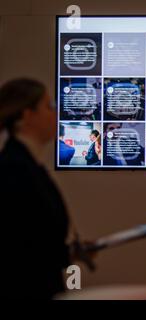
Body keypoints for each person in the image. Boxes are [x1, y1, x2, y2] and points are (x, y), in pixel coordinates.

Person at [0, 78, 94, 299]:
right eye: (49, 106)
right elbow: (18, 246)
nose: (56, 112)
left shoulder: (28, 164)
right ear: (26, 115)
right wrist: (64, 253)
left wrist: (69, 251)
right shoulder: (12, 168)